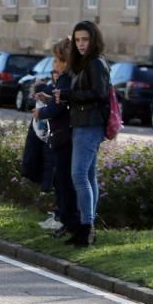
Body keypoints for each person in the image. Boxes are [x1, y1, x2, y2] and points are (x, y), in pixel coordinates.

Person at [55, 21, 109, 247]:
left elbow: (99, 93)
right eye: (77, 40)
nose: (80, 44)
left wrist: (69, 95)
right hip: (82, 123)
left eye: (85, 39)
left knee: (78, 175)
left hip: (90, 125)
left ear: (93, 40)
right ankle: (87, 227)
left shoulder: (96, 63)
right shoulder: (84, 64)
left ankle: (85, 228)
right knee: (88, 176)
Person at [32, 38, 78, 239]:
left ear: (64, 61)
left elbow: (59, 108)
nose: (53, 64)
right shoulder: (67, 79)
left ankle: (68, 221)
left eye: (56, 60)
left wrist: (40, 113)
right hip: (64, 134)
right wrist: (48, 99)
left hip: (63, 135)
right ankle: (66, 221)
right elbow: (61, 102)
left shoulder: (65, 79)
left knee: (63, 181)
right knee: (61, 180)